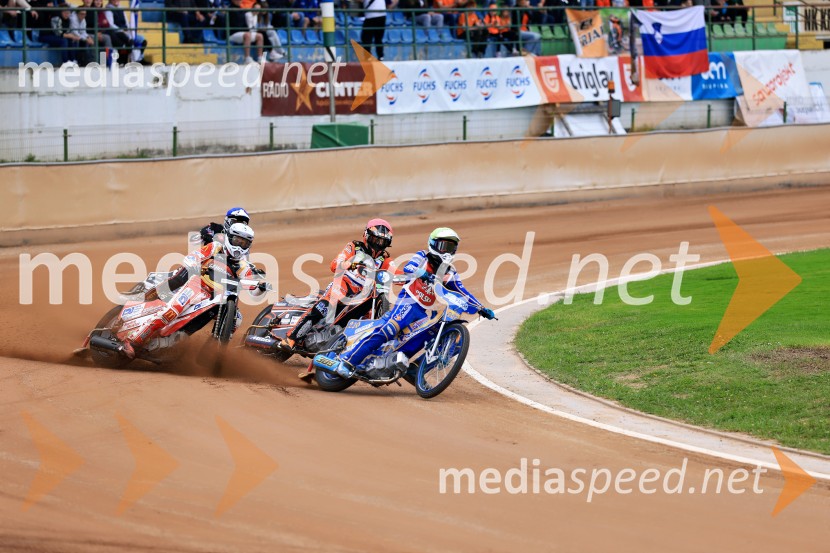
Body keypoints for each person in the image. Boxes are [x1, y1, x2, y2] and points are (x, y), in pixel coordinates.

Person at [332, 227, 496, 379]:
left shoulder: (449, 271)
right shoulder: (423, 256)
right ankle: (348, 360)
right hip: (407, 302)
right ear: (433, 244)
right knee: (388, 330)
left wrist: (481, 308)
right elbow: (409, 268)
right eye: (443, 246)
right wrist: (423, 273)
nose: (446, 251)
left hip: (422, 311)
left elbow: (462, 291)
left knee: (428, 334)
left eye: (451, 247)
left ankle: (414, 370)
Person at [121, 222, 268, 359]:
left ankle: (211, 351)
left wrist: (261, 288)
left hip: (218, 298)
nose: (240, 246)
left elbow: (252, 289)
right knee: (172, 310)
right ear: (229, 238)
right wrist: (193, 263)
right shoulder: (215, 247)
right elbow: (194, 256)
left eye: (245, 243)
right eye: (237, 241)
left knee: (237, 319)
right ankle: (132, 340)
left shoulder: (244, 266)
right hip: (198, 285)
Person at [280, 219, 394, 360]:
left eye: (382, 242)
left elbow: (397, 272)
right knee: (326, 305)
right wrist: (347, 263)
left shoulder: (385, 260)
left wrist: (415, 277)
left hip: (363, 296)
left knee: (365, 321)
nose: (378, 244)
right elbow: (336, 263)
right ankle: (292, 338)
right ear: (367, 235)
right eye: (375, 239)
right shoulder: (354, 247)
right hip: (344, 285)